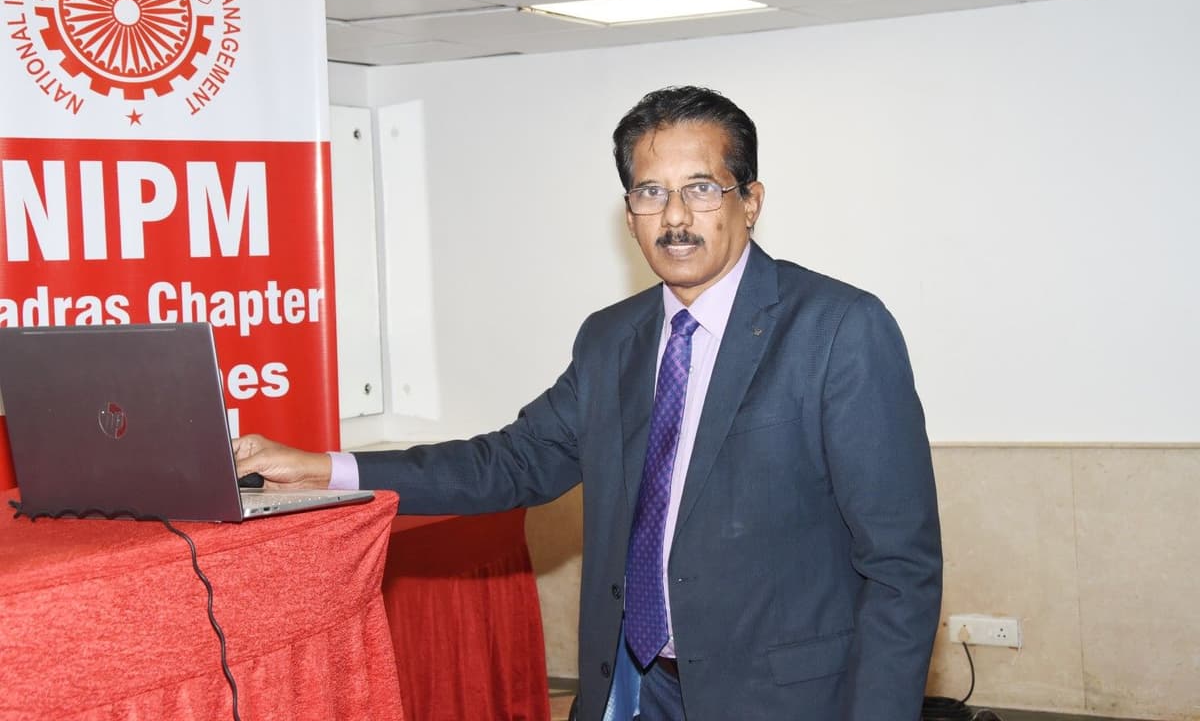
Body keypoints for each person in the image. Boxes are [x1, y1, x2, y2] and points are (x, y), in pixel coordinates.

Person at [235, 86, 942, 720]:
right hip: (633, 690)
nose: (674, 217)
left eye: (700, 189)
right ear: (628, 212)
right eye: (650, 192)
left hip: (786, 698)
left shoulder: (839, 329)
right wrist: (327, 469)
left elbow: (901, 567)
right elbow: (508, 465)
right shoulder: (612, 341)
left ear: (749, 202)